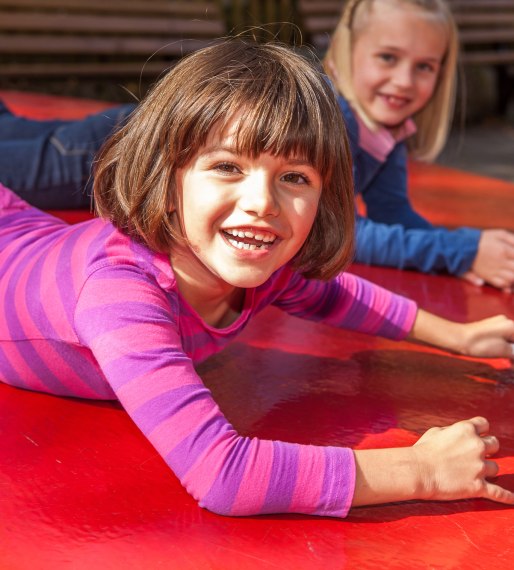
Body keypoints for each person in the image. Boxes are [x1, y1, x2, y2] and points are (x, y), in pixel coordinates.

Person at [1, 40, 514, 518]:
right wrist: (418, 471)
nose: (263, 203)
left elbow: (333, 294)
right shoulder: (120, 296)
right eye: (227, 166)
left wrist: (459, 335)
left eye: (294, 177)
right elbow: (222, 473)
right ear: (167, 176)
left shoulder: (257, 266)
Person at [323, 0, 514, 292]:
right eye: (388, 57)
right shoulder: (333, 119)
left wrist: (468, 254)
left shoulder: (387, 126)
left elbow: (392, 212)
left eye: (424, 66)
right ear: (346, 52)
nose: (404, 81)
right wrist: (457, 251)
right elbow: (333, 233)